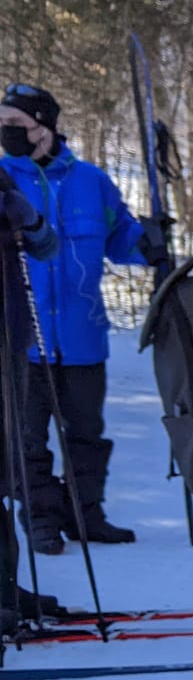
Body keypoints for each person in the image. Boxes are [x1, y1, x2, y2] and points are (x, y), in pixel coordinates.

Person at [0, 83, 171, 553]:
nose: (5, 133)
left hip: (82, 333)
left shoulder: (91, 182)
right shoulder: (2, 181)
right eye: (2, 124)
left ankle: (86, 514)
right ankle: (40, 519)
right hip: (20, 337)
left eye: (15, 124)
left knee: (87, 436)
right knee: (28, 439)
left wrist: (152, 243)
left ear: (44, 126)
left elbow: (121, 239)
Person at [0, 159, 61, 632]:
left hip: (10, 339)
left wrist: (28, 218)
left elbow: (47, 246)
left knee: (4, 466)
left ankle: (6, 586)